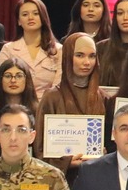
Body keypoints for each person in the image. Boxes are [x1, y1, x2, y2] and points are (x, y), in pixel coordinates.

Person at [39, 31, 109, 178]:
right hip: (61, 181)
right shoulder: (52, 97)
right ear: (67, 57)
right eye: (79, 55)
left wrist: (104, 155)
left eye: (92, 56)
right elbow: (40, 150)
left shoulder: (104, 98)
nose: (87, 62)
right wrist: (67, 162)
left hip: (97, 178)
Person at [0, 0, 64, 93]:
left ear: (43, 18)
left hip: (48, 102)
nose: (30, 17)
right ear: (19, 21)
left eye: (36, 13)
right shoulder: (8, 49)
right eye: (25, 14)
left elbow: (59, 86)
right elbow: (2, 83)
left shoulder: (58, 50)